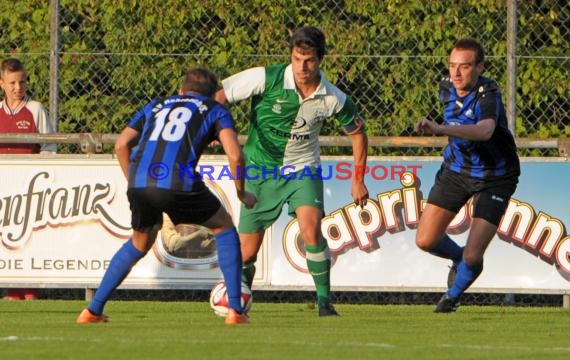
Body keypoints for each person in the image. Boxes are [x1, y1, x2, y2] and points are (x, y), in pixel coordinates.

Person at [76, 67, 257, 325]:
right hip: (177, 180)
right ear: (212, 95)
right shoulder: (215, 109)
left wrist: (134, 182)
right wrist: (241, 192)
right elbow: (236, 155)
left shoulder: (156, 105)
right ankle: (235, 312)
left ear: (181, 91)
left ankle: (92, 311)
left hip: (139, 180)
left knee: (139, 243)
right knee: (224, 228)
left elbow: (121, 144)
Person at [214, 26, 369, 316]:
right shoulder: (266, 77)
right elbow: (220, 96)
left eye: (309, 60)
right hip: (259, 170)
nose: (302, 67)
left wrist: (357, 180)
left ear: (320, 59)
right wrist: (217, 128)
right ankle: (238, 303)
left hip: (303, 170)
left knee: (311, 230)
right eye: (297, 59)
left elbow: (358, 134)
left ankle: (324, 302)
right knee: (247, 251)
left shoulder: (332, 97)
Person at [414, 38, 520, 313]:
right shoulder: (446, 87)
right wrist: (430, 125)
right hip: (457, 171)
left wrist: (440, 129)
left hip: (495, 176)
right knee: (425, 240)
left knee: (475, 254)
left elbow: (485, 131)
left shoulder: (489, 93)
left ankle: (451, 298)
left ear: (480, 67)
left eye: (465, 66)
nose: (456, 73)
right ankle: (458, 259)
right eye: (452, 66)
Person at [1, 58, 57, 300]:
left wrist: (36, 173)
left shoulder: (35, 109)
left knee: (30, 236)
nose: (18, 87)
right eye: (12, 82)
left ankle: (31, 290)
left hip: (28, 187)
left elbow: (49, 146)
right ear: (2, 83)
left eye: (21, 82)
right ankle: (12, 290)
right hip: (3, 187)